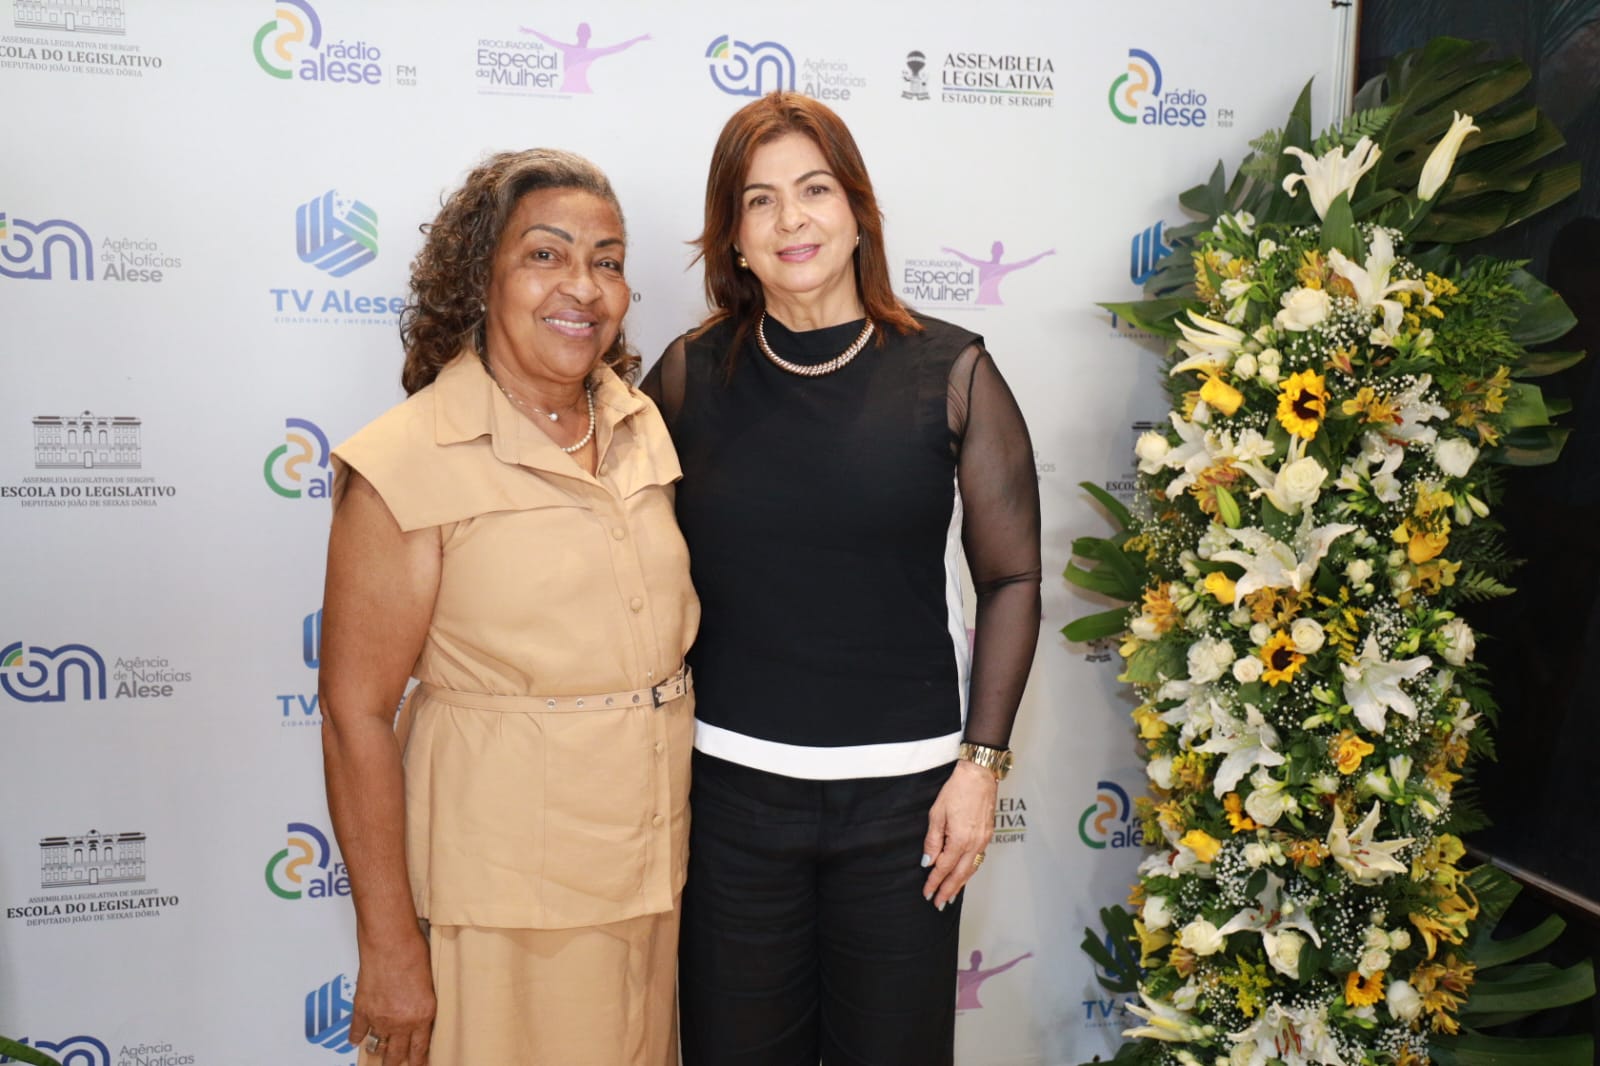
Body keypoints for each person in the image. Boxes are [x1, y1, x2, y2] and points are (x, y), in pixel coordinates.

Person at [643, 91, 1042, 1066]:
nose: (792, 219)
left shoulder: (952, 371)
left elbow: (1012, 578)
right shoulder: (688, 377)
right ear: (733, 239)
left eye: (815, 189)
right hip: (729, 804)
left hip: (907, 813)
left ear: (858, 210)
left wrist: (981, 766)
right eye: (760, 200)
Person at [319, 148, 698, 1066]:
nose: (584, 286)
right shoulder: (407, 460)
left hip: (652, 878)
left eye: (608, 261)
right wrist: (387, 945)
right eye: (545, 255)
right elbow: (354, 714)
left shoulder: (642, 426)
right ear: (480, 277)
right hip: (497, 904)